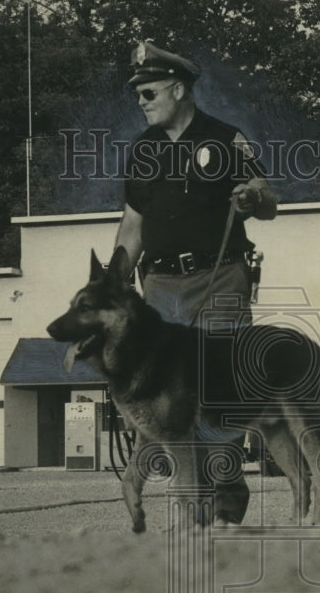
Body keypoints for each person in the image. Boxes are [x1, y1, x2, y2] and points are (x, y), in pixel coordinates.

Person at [113, 42, 278, 526]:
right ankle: (199, 507)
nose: (141, 101)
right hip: (160, 286)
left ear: (178, 89)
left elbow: (269, 200)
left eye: (148, 92)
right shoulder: (143, 150)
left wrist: (251, 196)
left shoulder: (225, 139)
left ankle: (225, 497)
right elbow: (131, 229)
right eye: (136, 95)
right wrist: (112, 290)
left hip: (220, 277)